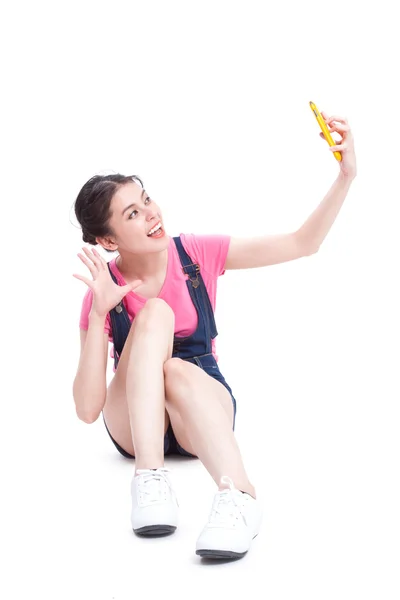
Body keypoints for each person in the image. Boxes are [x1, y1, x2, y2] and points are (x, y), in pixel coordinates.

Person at [72, 111, 356, 560]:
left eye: (146, 200)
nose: (151, 214)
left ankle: (239, 497)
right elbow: (88, 409)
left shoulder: (196, 254)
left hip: (196, 406)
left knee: (176, 368)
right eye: (132, 213)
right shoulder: (103, 290)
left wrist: (345, 176)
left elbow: (302, 243)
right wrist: (102, 312)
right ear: (109, 241)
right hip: (133, 423)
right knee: (155, 315)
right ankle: (150, 478)